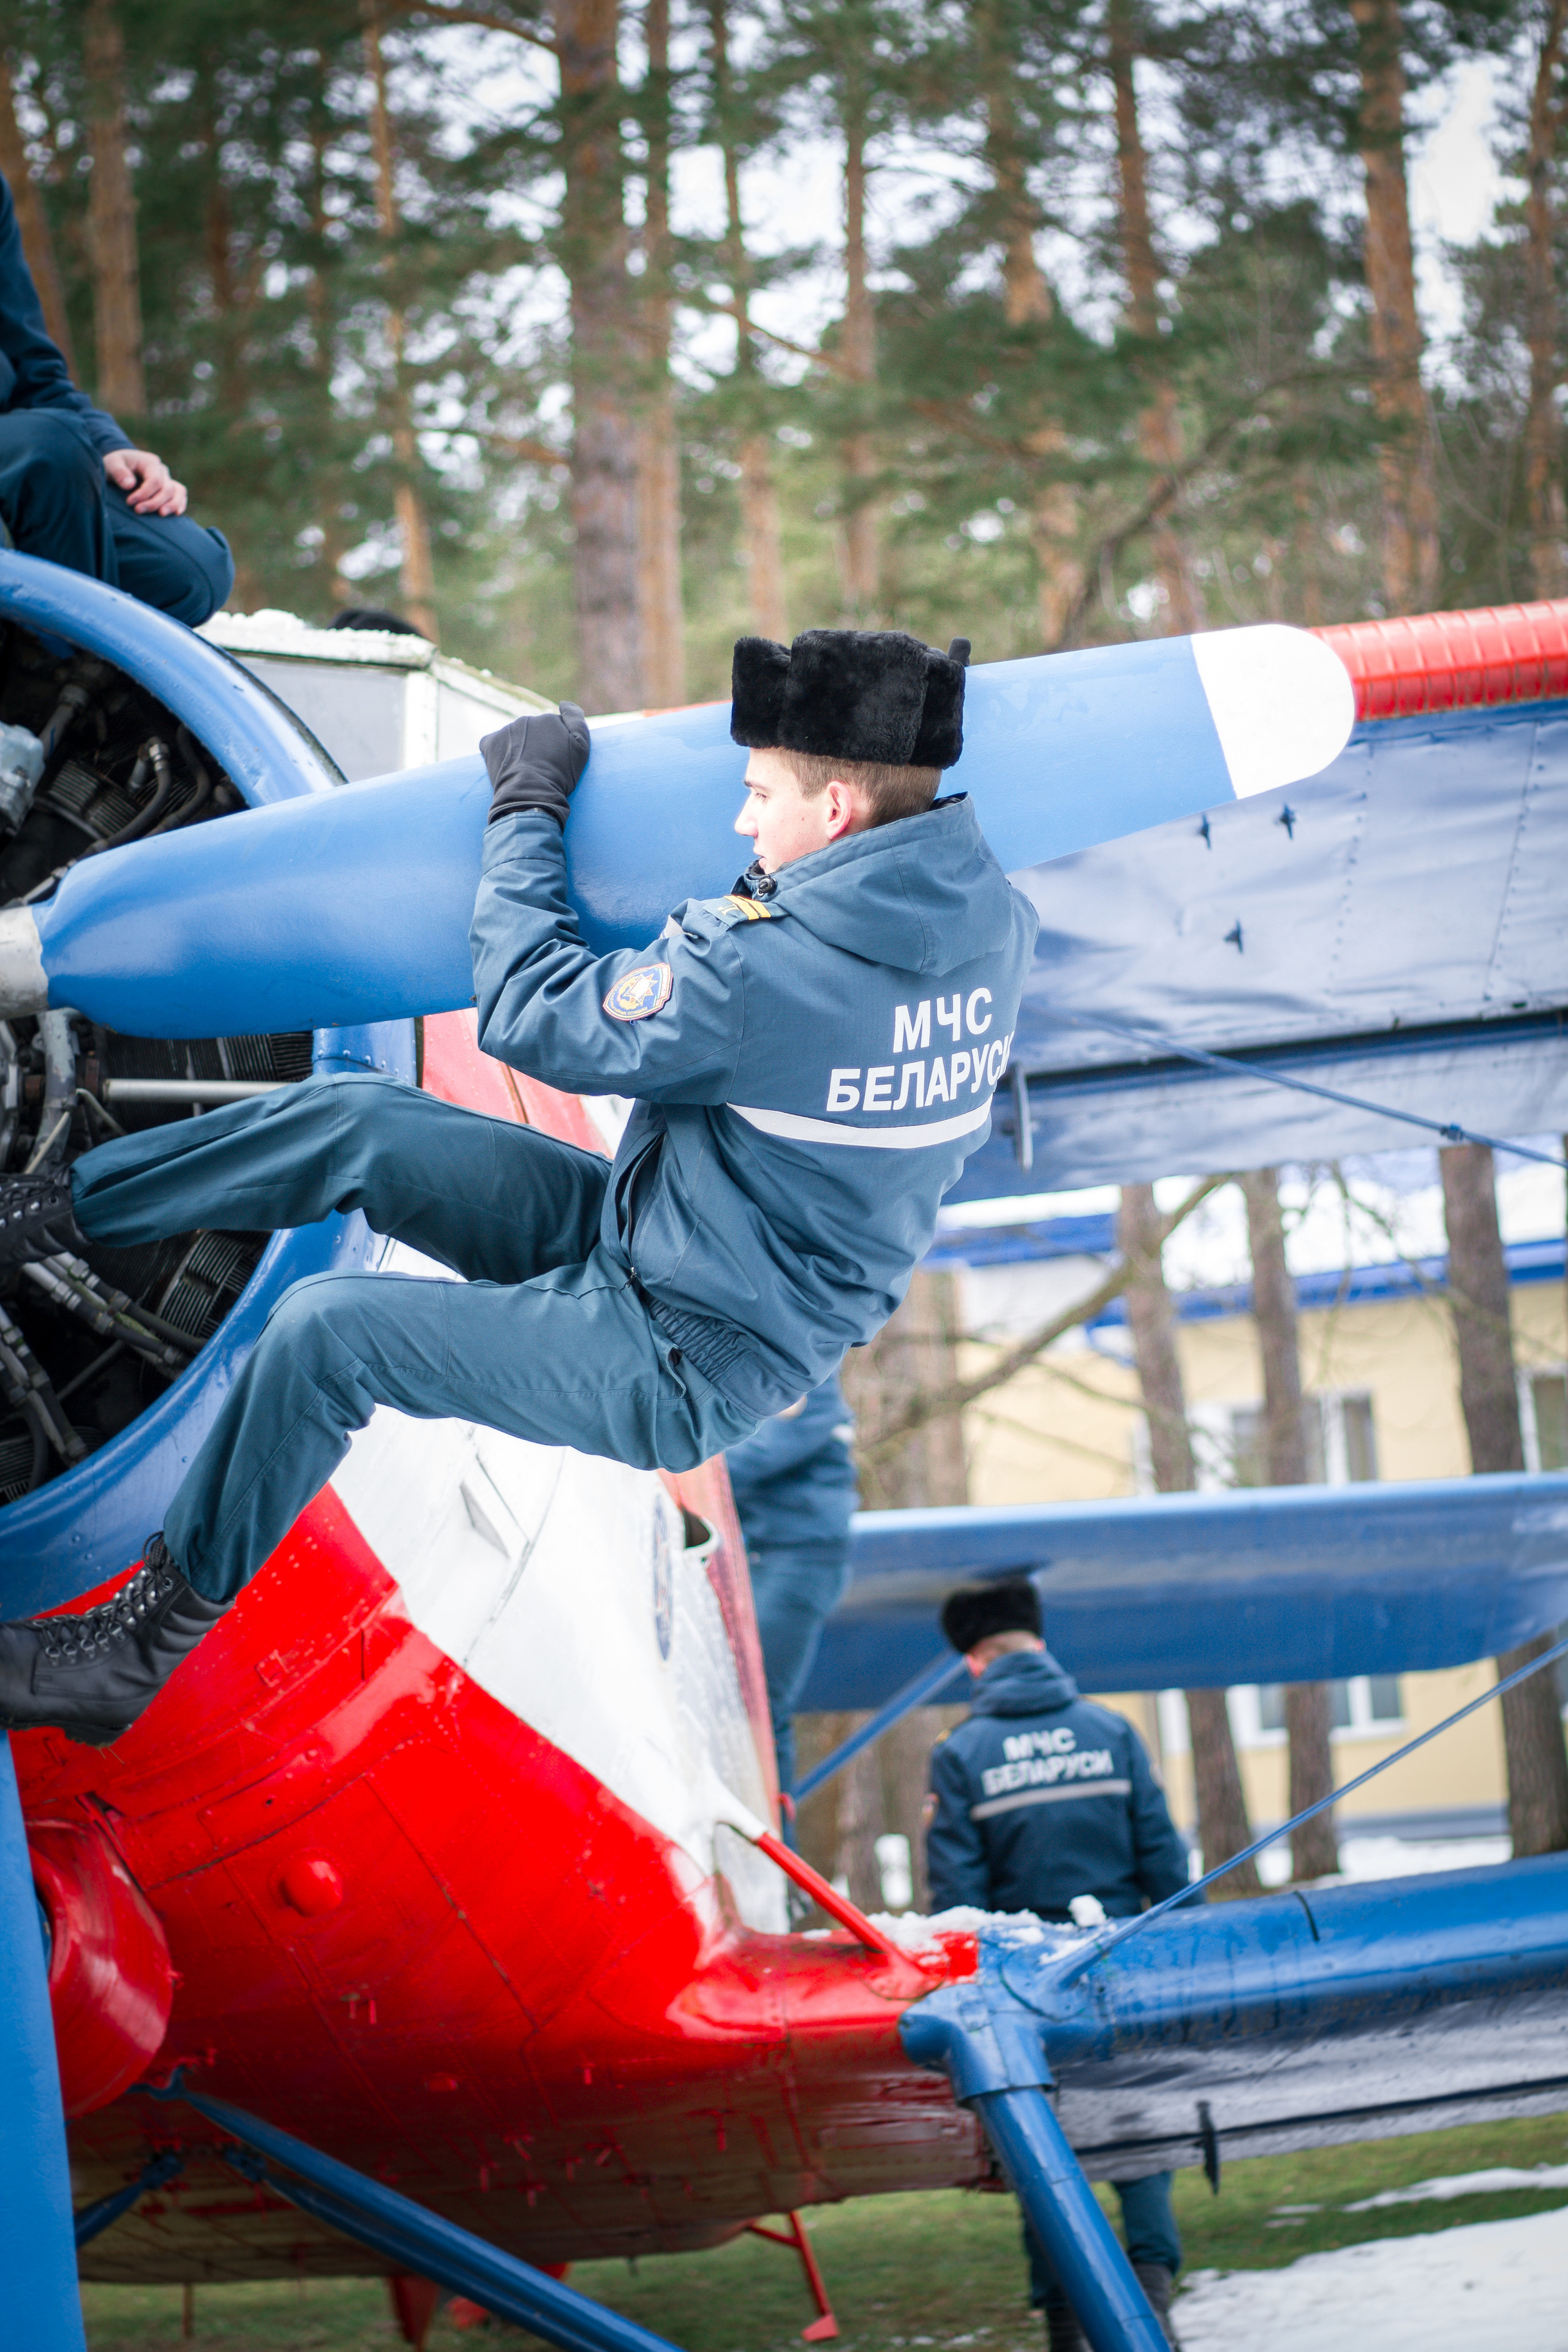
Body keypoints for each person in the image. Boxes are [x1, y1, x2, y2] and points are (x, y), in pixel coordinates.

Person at [0, 625, 1038, 1749]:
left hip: (678, 1350)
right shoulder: (984, 930)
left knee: (328, 1333)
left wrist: (527, 810)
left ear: (836, 812)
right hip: (671, 1240)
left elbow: (535, 1016)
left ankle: (128, 1657)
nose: (743, 820)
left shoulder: (773, 969)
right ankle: (43, 1217)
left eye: (760, 794)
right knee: (360, 1123)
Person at [925, 1578, 1195, 2352]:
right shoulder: (1111, 1731)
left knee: (1043, 2152)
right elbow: (1166, 1866)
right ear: (1039, 1645)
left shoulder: (960, 1756)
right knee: (1143, 2132)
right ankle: (1153, 2309)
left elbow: (959, 1905)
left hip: (1023, 1996)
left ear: (974, 1664)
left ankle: (1070, 2329)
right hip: (1123, 1971)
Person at [0, 172, 233, 626]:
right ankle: (56, 679)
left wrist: (108, 446)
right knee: (47, 451)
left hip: (21, 453)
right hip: (29, 456)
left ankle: (66, 667)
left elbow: (34, 364)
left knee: (191, 572)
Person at [725, 1372, 859, 1804]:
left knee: (756, 1704)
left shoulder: (807, 1378)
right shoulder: (774, 1377)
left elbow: (756, 1457)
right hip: (770, 1555)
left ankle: (773, 1843)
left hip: (799, 1558)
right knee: (754, 1704)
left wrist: (674, 1457)